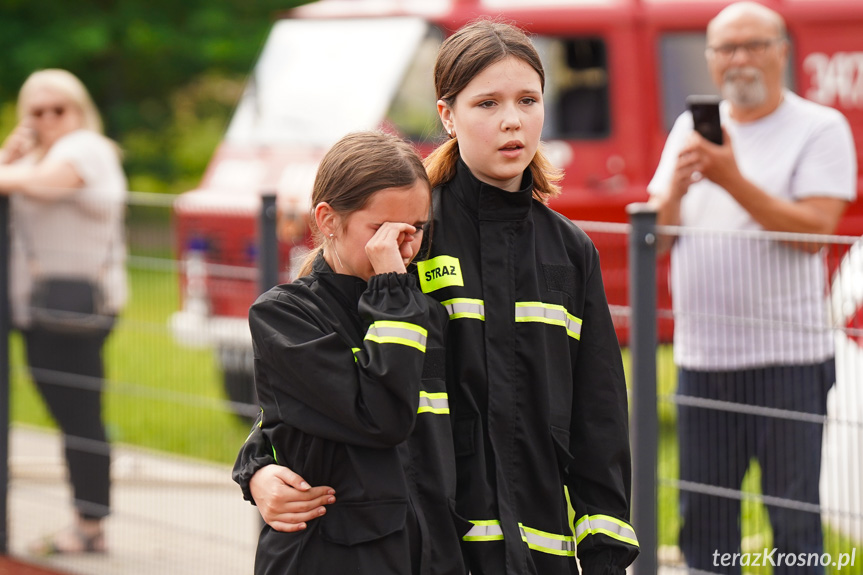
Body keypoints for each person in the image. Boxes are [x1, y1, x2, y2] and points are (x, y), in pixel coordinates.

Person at [234, 20, 639, 575]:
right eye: (487, 103)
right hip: (435, 551)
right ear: (447, 115)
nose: (512, 120)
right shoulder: (408, 235)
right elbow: (324, 380)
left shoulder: (570, 251)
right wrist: (256, 466)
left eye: (528, 99)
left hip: (539, 556)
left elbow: (600, 419)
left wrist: (606, 556)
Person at [647, 3, 856, 573]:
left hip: (787, 359)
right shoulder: (691, 128)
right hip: (704, 358)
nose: (739, 59)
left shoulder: (819, 127)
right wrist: (676, 191)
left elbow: (813, 233)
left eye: (753, 45)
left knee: (791, 520)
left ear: (783, 50)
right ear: (711, 60)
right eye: (725, 48)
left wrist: (728, 177)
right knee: (706, 519)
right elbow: (658, 238)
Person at [235, 130, 467, 574]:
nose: (403, 248)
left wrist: (252, 464)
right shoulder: (285, 316)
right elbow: (382, 417)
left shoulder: (426, 314)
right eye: (381, 230)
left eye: (415, 230)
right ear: (327, 219)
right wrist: (393, 295)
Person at [0, 69, 128, 554]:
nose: (50, 119)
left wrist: (12, 167)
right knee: (66, 410)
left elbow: (47, 186)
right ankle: (87, 518)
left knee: (80, 415)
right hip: (38, 310)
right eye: (38, 111)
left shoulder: (85, 149)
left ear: (79, 110)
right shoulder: (33, 157)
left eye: (60, 109)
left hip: (78, 311)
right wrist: (13, 155)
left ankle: (90, 524)